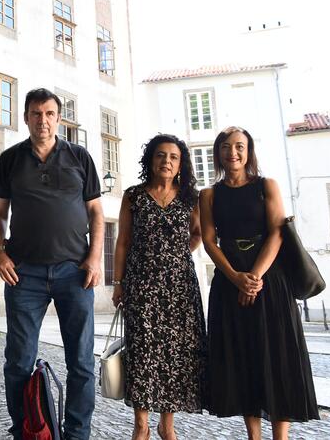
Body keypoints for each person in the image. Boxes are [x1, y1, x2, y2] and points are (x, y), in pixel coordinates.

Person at [0, 88, 104, 439]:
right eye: (36, 113)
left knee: (82, 362)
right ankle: (26, 431)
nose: (43, 120)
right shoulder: (10, 159)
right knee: (19, 363)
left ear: (59, 118)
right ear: (26, 117)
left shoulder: (80, 157)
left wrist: (96, 257)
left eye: (50, 113)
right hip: (23, 273)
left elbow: (97, 212)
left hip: (75, 271)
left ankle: (77, 434)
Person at [200, 127, 318, 440]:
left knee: (278, 356)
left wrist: (254, 278)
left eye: (239, 146)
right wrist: (236, 278)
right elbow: (210, 241)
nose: (233, 152)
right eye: (226, 147)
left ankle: (281, 437)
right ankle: (254, 436)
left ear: (249, 151)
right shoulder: (209, 194)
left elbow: (277, 232)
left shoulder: (267, 186)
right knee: (243, 357)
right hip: (229, 283)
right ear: (218, 153)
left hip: (271, 282)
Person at [111, 134, 206, 440]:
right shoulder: (134, 196)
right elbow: (123, 241)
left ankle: (168, 424)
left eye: (173, 157)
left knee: (175, 354)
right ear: (150, 160)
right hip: (141, 285)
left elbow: (198, 234)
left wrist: (175, 254)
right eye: (160, 156)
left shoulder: (191, 199)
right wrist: (118, 283)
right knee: (142, 351)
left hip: (180, 287)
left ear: (180, 164)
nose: (166, 161)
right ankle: (141, 425)